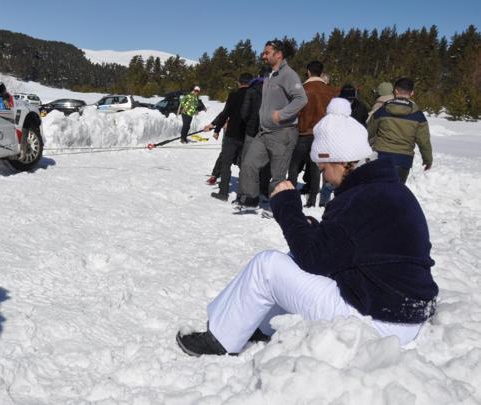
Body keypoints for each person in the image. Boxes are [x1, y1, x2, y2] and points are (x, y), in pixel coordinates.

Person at [176, 98, 438, 356]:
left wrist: (286, 206)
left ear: (341, 160)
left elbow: (313, 259)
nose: (323, 177)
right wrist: (310, 228)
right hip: (405, 314)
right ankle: (256, 324)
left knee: (267, 267)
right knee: (291, 259)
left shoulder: (358, 199)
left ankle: (221, 339)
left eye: (323, 168)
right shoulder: (389, 190)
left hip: (380, 322)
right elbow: (347, 248)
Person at [236, 39, 307, 211]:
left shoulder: (288, 74)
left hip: (283, 133)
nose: (263, 55)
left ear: (279, 55)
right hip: (264, 132)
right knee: (248, 164)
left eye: (267, 52)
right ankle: (251, 200)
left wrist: (282, 114)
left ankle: (276, 208)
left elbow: (301, 99)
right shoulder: (270, 76)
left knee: (278, 175)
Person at [367, 77, 433, 183]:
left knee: (378, 191)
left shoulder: (382, 111)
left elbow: (369, 132)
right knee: (396, 192)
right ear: (412, 93)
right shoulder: (418, 115)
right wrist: (427, 159)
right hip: (403, 160)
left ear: (395, 91)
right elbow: (424, 140)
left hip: (381, 156)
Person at [289, 61, 336, 208]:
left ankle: (290, 196)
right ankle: (312, 200)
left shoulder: (303, 89)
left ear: (308, 71)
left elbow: (296, 111)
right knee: (316, 167)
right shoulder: (330, 91)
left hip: (303, 133)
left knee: (294, 165)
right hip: (322, 136)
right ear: (322, 73)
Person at [205, 73, 252, 200]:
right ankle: (243, 195)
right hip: (248, 136)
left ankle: (223, 192)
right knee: (244, 166)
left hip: (232, 134)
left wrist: (217, 129)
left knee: (226, 163)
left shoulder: (234, 95)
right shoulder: (257, 96)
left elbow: (225, 114)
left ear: (239, 82)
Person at [238, 66, 272, 202]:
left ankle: (244, 193)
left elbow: (244, 113)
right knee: (266, 164)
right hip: (269, 132)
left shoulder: (252, 90)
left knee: (247, 163)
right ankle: (263, 190)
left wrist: (249, 124)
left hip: (252, 132)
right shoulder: (277, 92)